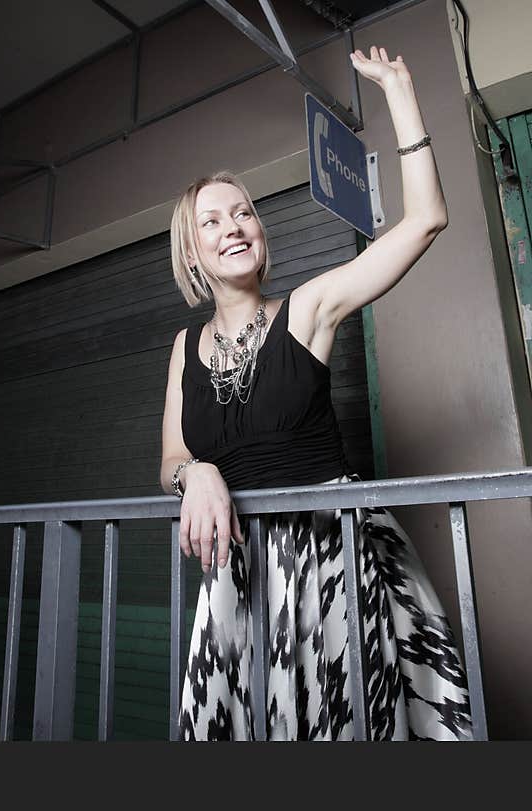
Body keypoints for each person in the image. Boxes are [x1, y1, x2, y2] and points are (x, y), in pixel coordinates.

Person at [160, 46, 471, 740]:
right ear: (192, 253)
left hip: (331, 562)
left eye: (243, 212)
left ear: (260, 234)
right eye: (211, 220)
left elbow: (425, 220)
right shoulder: (185, 347)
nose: (233, 225)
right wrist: (195, 472)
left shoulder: (308, 309)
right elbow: (171, 457)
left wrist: (400, 88)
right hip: (240, 575)